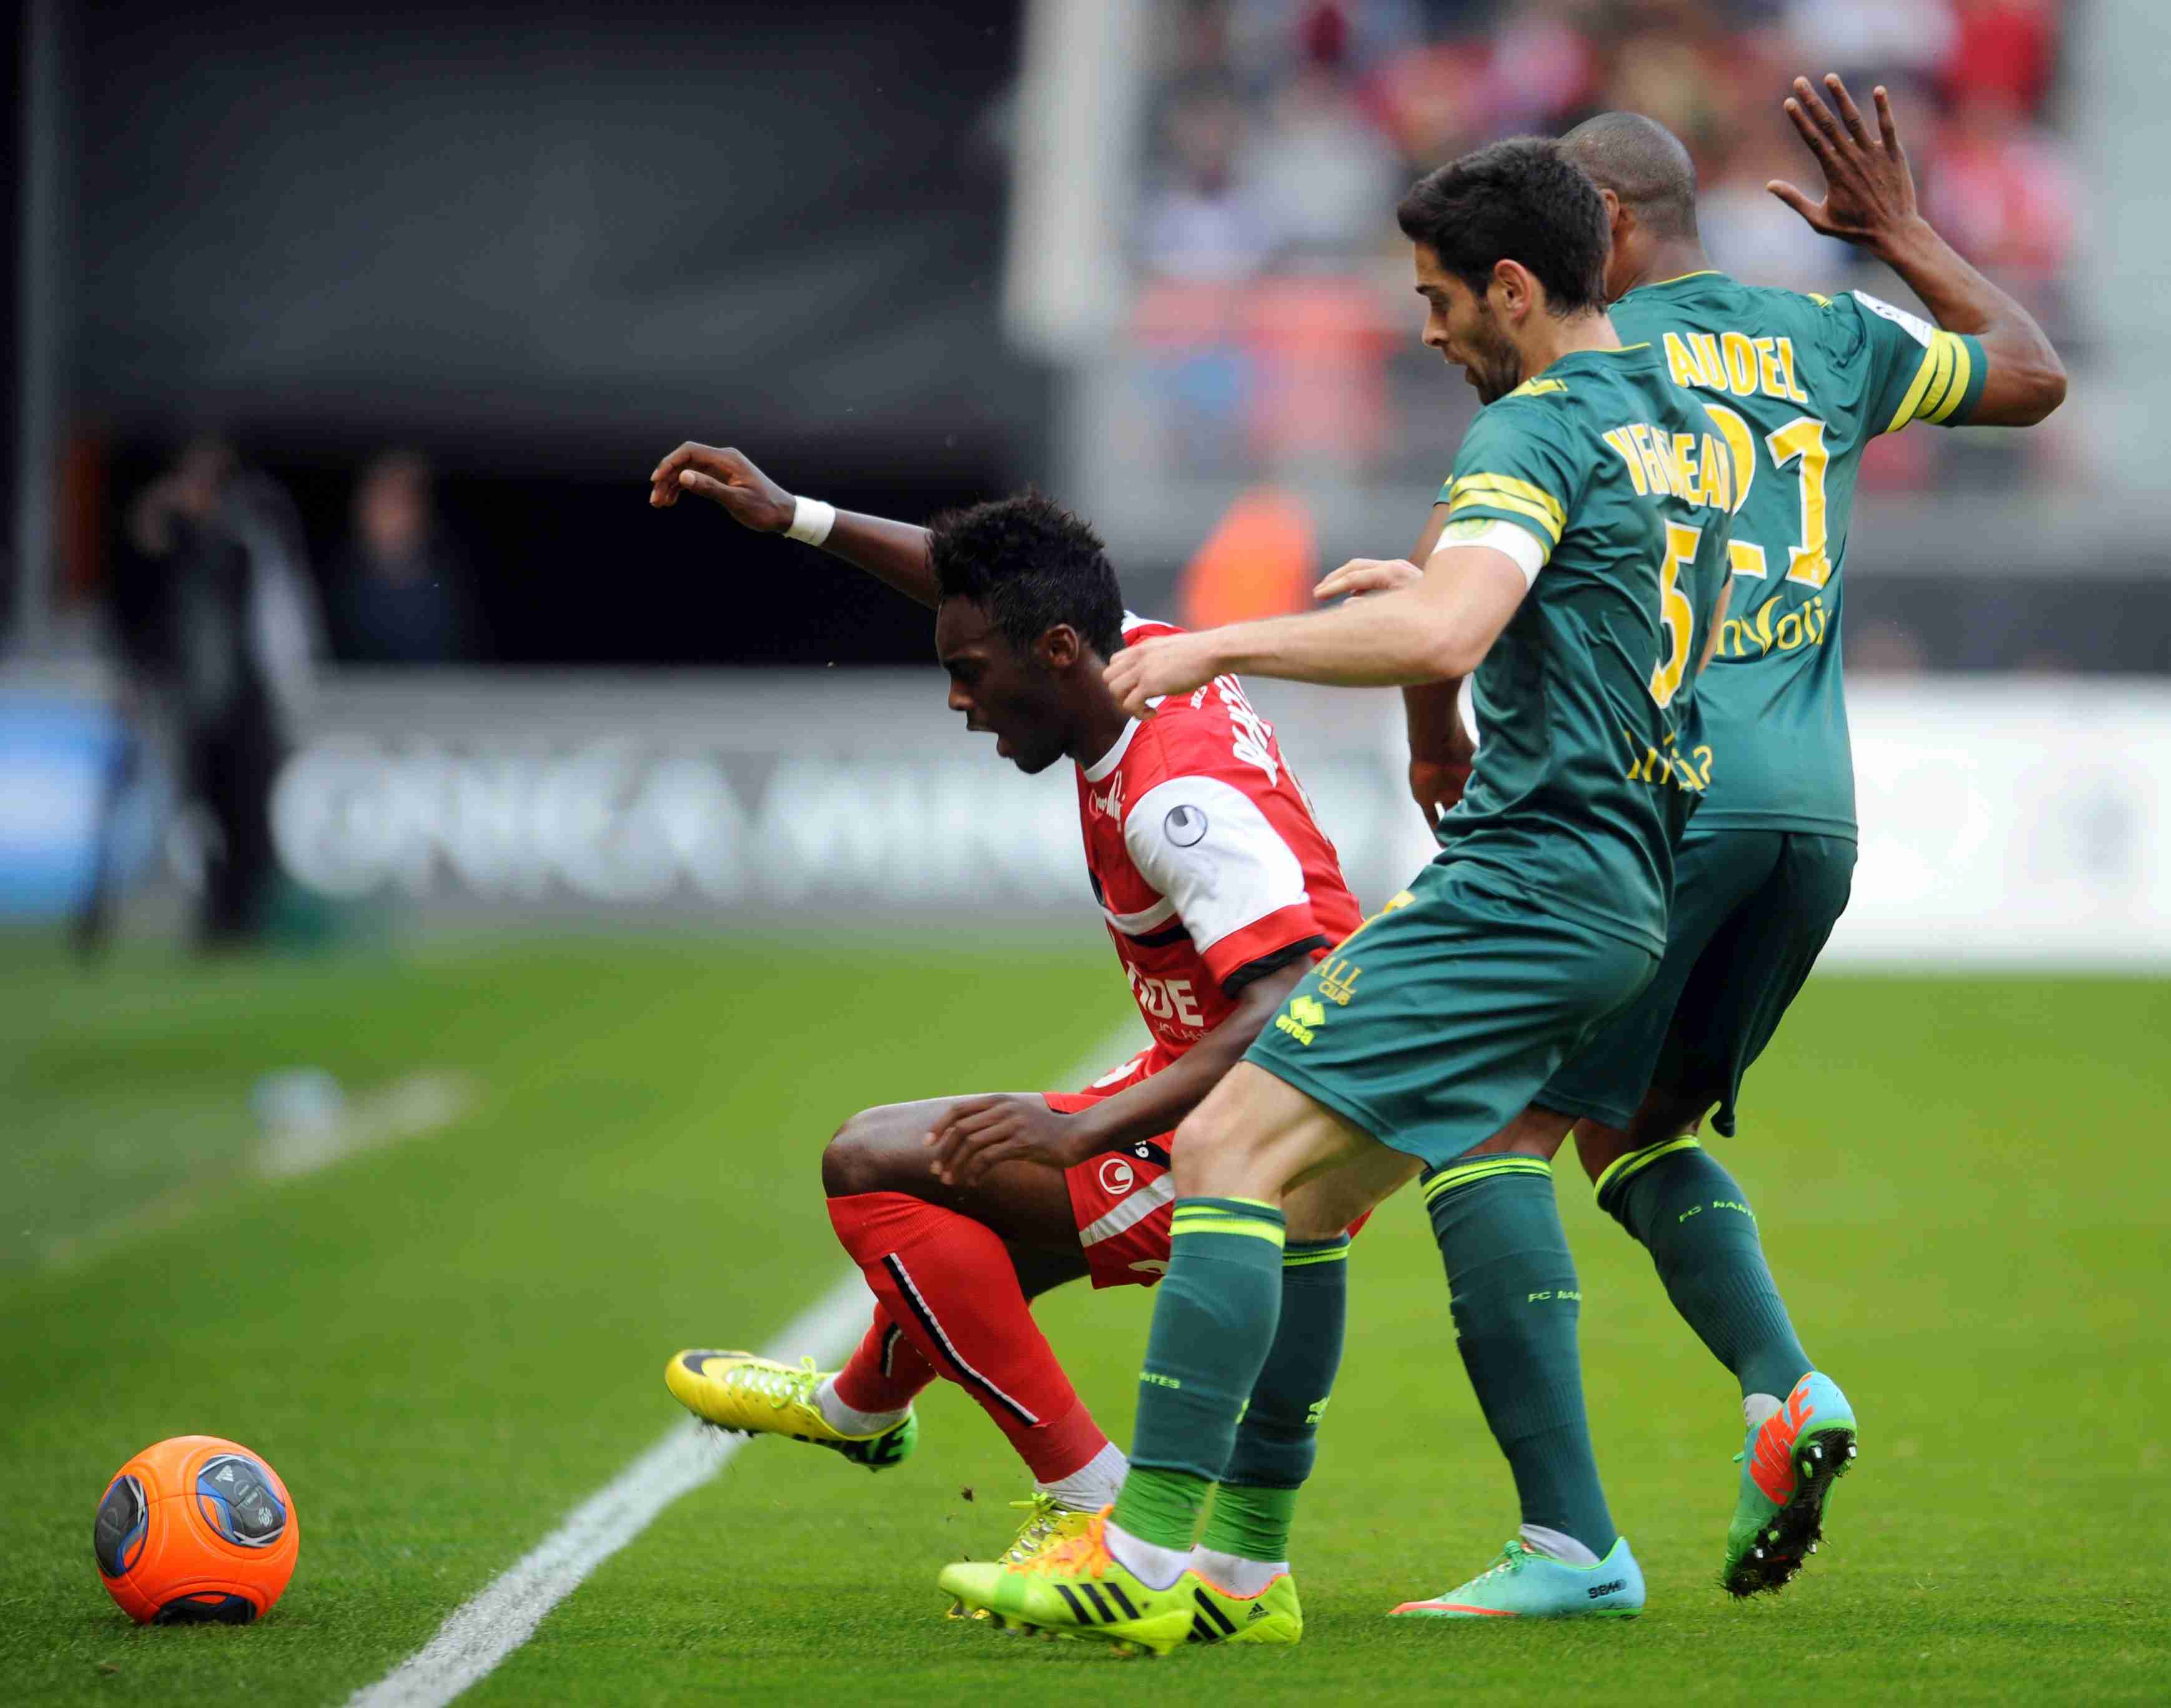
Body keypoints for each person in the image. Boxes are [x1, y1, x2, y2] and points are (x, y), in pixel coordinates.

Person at [942, 136, 1736, 1650]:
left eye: (1438, 299)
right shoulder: (1674, 418)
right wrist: (1440, 606)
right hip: (1630, 878)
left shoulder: (1528, 428)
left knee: (1223, 1143)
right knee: (1303, 1192)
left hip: (1528, 880)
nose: (1425, 330)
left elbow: (1445, 637)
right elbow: (1558, 607)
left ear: (1514, 288)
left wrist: (1210, 646)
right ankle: (1241, 1577)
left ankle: (1146, 1554)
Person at [1394, 82, 2064, 1602]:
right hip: (1809, 820)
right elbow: (2029, 375)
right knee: (1635, 1131)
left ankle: (1568, 1547)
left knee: (1480, 1129)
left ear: (1598, 226)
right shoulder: (1828, 335)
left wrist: (1434, 733)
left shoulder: (1584, 358)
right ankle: (1784, 1389)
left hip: (1654, 795)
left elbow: (1451, 573)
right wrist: (1902, 235)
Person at [645, 448, 1366, 1644]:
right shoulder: (1125, 650)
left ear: (1058, 656)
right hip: (1249, 1071)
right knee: (958, 1263)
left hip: (1282, 1103)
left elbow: (1288, 997)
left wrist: (1085, 1129)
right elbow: (981, 585)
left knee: (875, 1165)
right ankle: (859, 1406)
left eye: (968, 673)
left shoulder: (1174, 796)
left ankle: (1091, 1502)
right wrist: (798, 518)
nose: (957, 700)